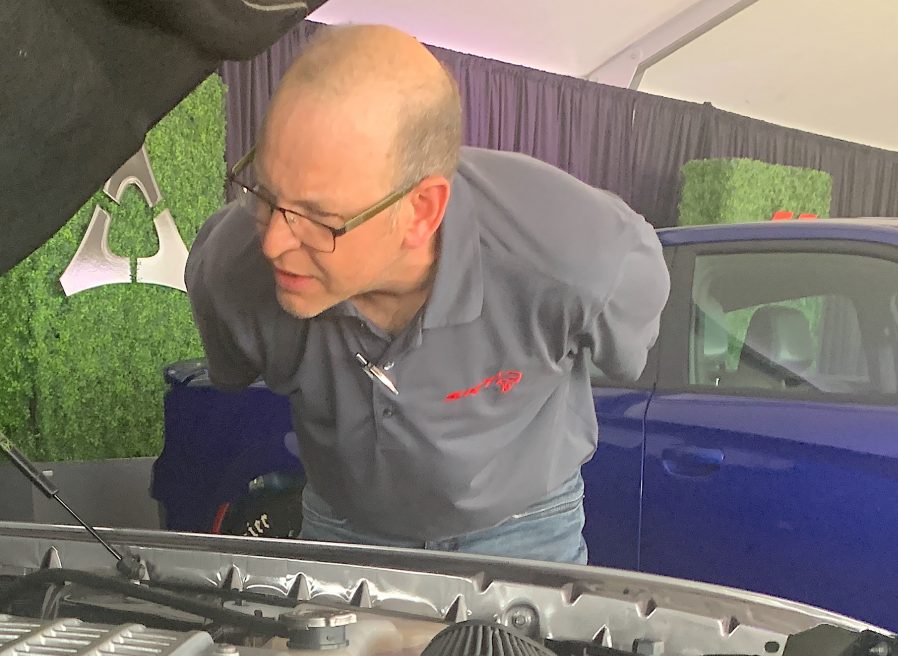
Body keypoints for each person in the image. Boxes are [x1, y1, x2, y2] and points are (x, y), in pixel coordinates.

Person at [186, 25, 668, 563]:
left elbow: (634, 322)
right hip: (343, 527)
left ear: (420, 212)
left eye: (320, 218)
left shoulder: (574, 254)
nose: (274, 242)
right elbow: (231, 368)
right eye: (265, 193)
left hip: (524, 535)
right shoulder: (228, 269)